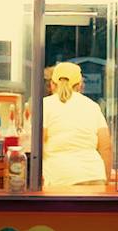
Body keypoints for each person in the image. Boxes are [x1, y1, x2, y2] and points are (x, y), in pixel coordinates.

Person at [41, 61, 111, 191]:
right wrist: (106, 178)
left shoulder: (44, 105)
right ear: (80, 86)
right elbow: (106, 147)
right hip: (94, 175)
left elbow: (38, 143)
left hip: (60, 178)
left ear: (52, 84)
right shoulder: (92, 106)